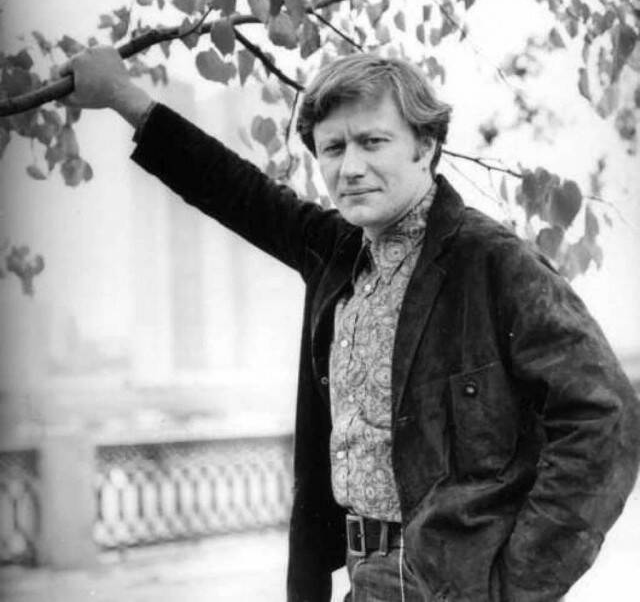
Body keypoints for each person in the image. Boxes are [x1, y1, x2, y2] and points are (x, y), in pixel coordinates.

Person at [57, 47, 640, 602]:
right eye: (332, 148)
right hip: (364, 576)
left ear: (426, 147)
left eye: (372, 141)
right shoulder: (337, 253)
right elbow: (233, 188)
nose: (350, 168)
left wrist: (518, 583)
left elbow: (606, 417)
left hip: (457, 582)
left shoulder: (492, 261)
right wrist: (123, 95)